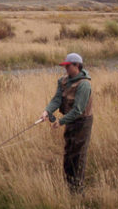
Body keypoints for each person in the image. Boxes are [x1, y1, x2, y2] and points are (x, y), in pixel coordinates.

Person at [39, 53, 93, 193]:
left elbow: (78, 110)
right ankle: (70, 188)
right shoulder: (62, 81)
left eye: (68, 66)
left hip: (82, 123)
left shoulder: (84, 85)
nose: (66, 69)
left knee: (78, 156)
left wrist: (60, 122)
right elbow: (57, 99)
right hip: (70, 121)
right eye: (65, 66)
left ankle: (78, 192)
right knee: (68, 156)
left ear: (77, 66)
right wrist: (47, 111)